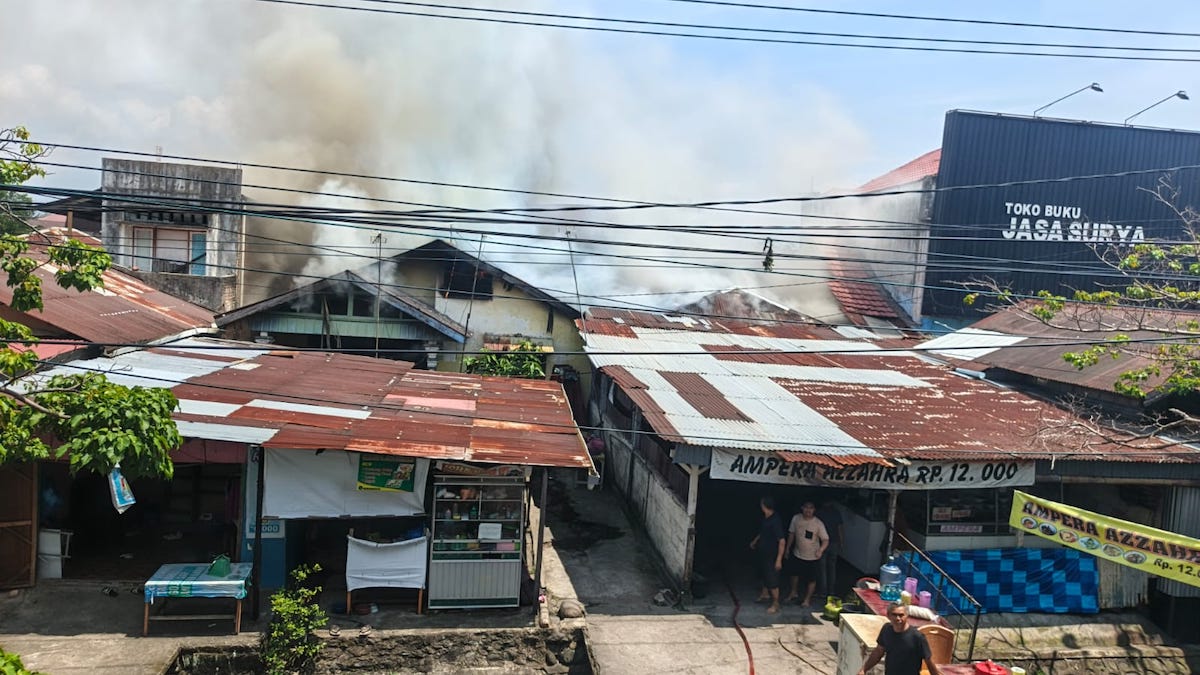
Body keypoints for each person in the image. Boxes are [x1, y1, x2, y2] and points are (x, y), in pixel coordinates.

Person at [858, 603, 942, 675]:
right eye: (894, 615)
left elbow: (929, 662)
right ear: (888, 615)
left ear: (907, 616)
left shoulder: (917, 637)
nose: (898, 618)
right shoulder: (886, 630)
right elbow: (878, 652)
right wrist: (864, 669)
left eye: (901, 615)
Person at [784, 501, 828, 607]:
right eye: (806, 507)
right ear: (802, 508)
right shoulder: (796, 518)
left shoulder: (818, 523)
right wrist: (787, 548)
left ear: (814, 510)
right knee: (794, 574)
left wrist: (821, 550)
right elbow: (791, 534)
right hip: (797, 553)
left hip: (812, 557)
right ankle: (793, 592)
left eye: (811, 508)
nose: (808, 510)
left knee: (811, 579)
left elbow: (825, 539)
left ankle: (807, 600)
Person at [749, 495, 786, 614]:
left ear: (764, 505)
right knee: (764, 574)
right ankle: (765, 594)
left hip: (772, 555)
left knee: (772, 579)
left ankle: (776, 603)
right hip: (763, 552)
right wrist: (755, 541)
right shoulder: (766, 518)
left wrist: (779, 559)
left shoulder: (775, 520)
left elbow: (782, 540)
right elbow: (763, 532)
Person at [816, 498, 845, 598]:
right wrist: (841, 543)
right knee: (832, 568)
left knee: (822, 568)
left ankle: (823, 592)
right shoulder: (836, 512)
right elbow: (840, 528)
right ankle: (831, 591)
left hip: (822, 544)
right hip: (834, 542)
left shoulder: (819, 513)